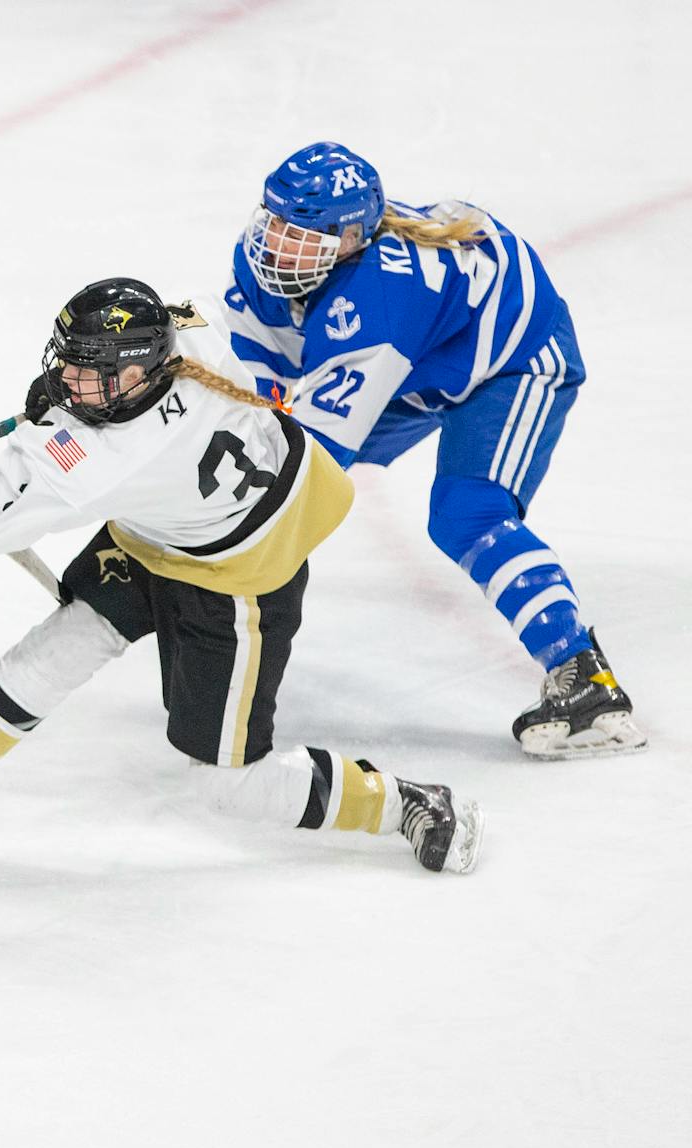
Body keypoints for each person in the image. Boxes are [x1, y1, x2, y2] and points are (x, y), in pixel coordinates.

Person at [0, 278, 482, 873]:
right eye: (67, 364)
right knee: (61, 644)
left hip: (239, 573)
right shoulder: (190, 330)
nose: (69, 382)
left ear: (136, 375)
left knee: (229, 785)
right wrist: (67, 396)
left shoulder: (97, 457)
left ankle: (405, 803)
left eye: (86, 372)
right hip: (169, 526)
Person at [222, 141, 641, 759]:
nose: (274, 244)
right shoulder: (275, 266)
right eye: (273, 222)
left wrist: (212, 539)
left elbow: (308, 466)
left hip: (513, 361)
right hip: (424, 358)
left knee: (467, 514)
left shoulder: (379, 306)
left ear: (346, 241)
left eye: (298, 233)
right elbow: (267, 394)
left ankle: (587, 683)